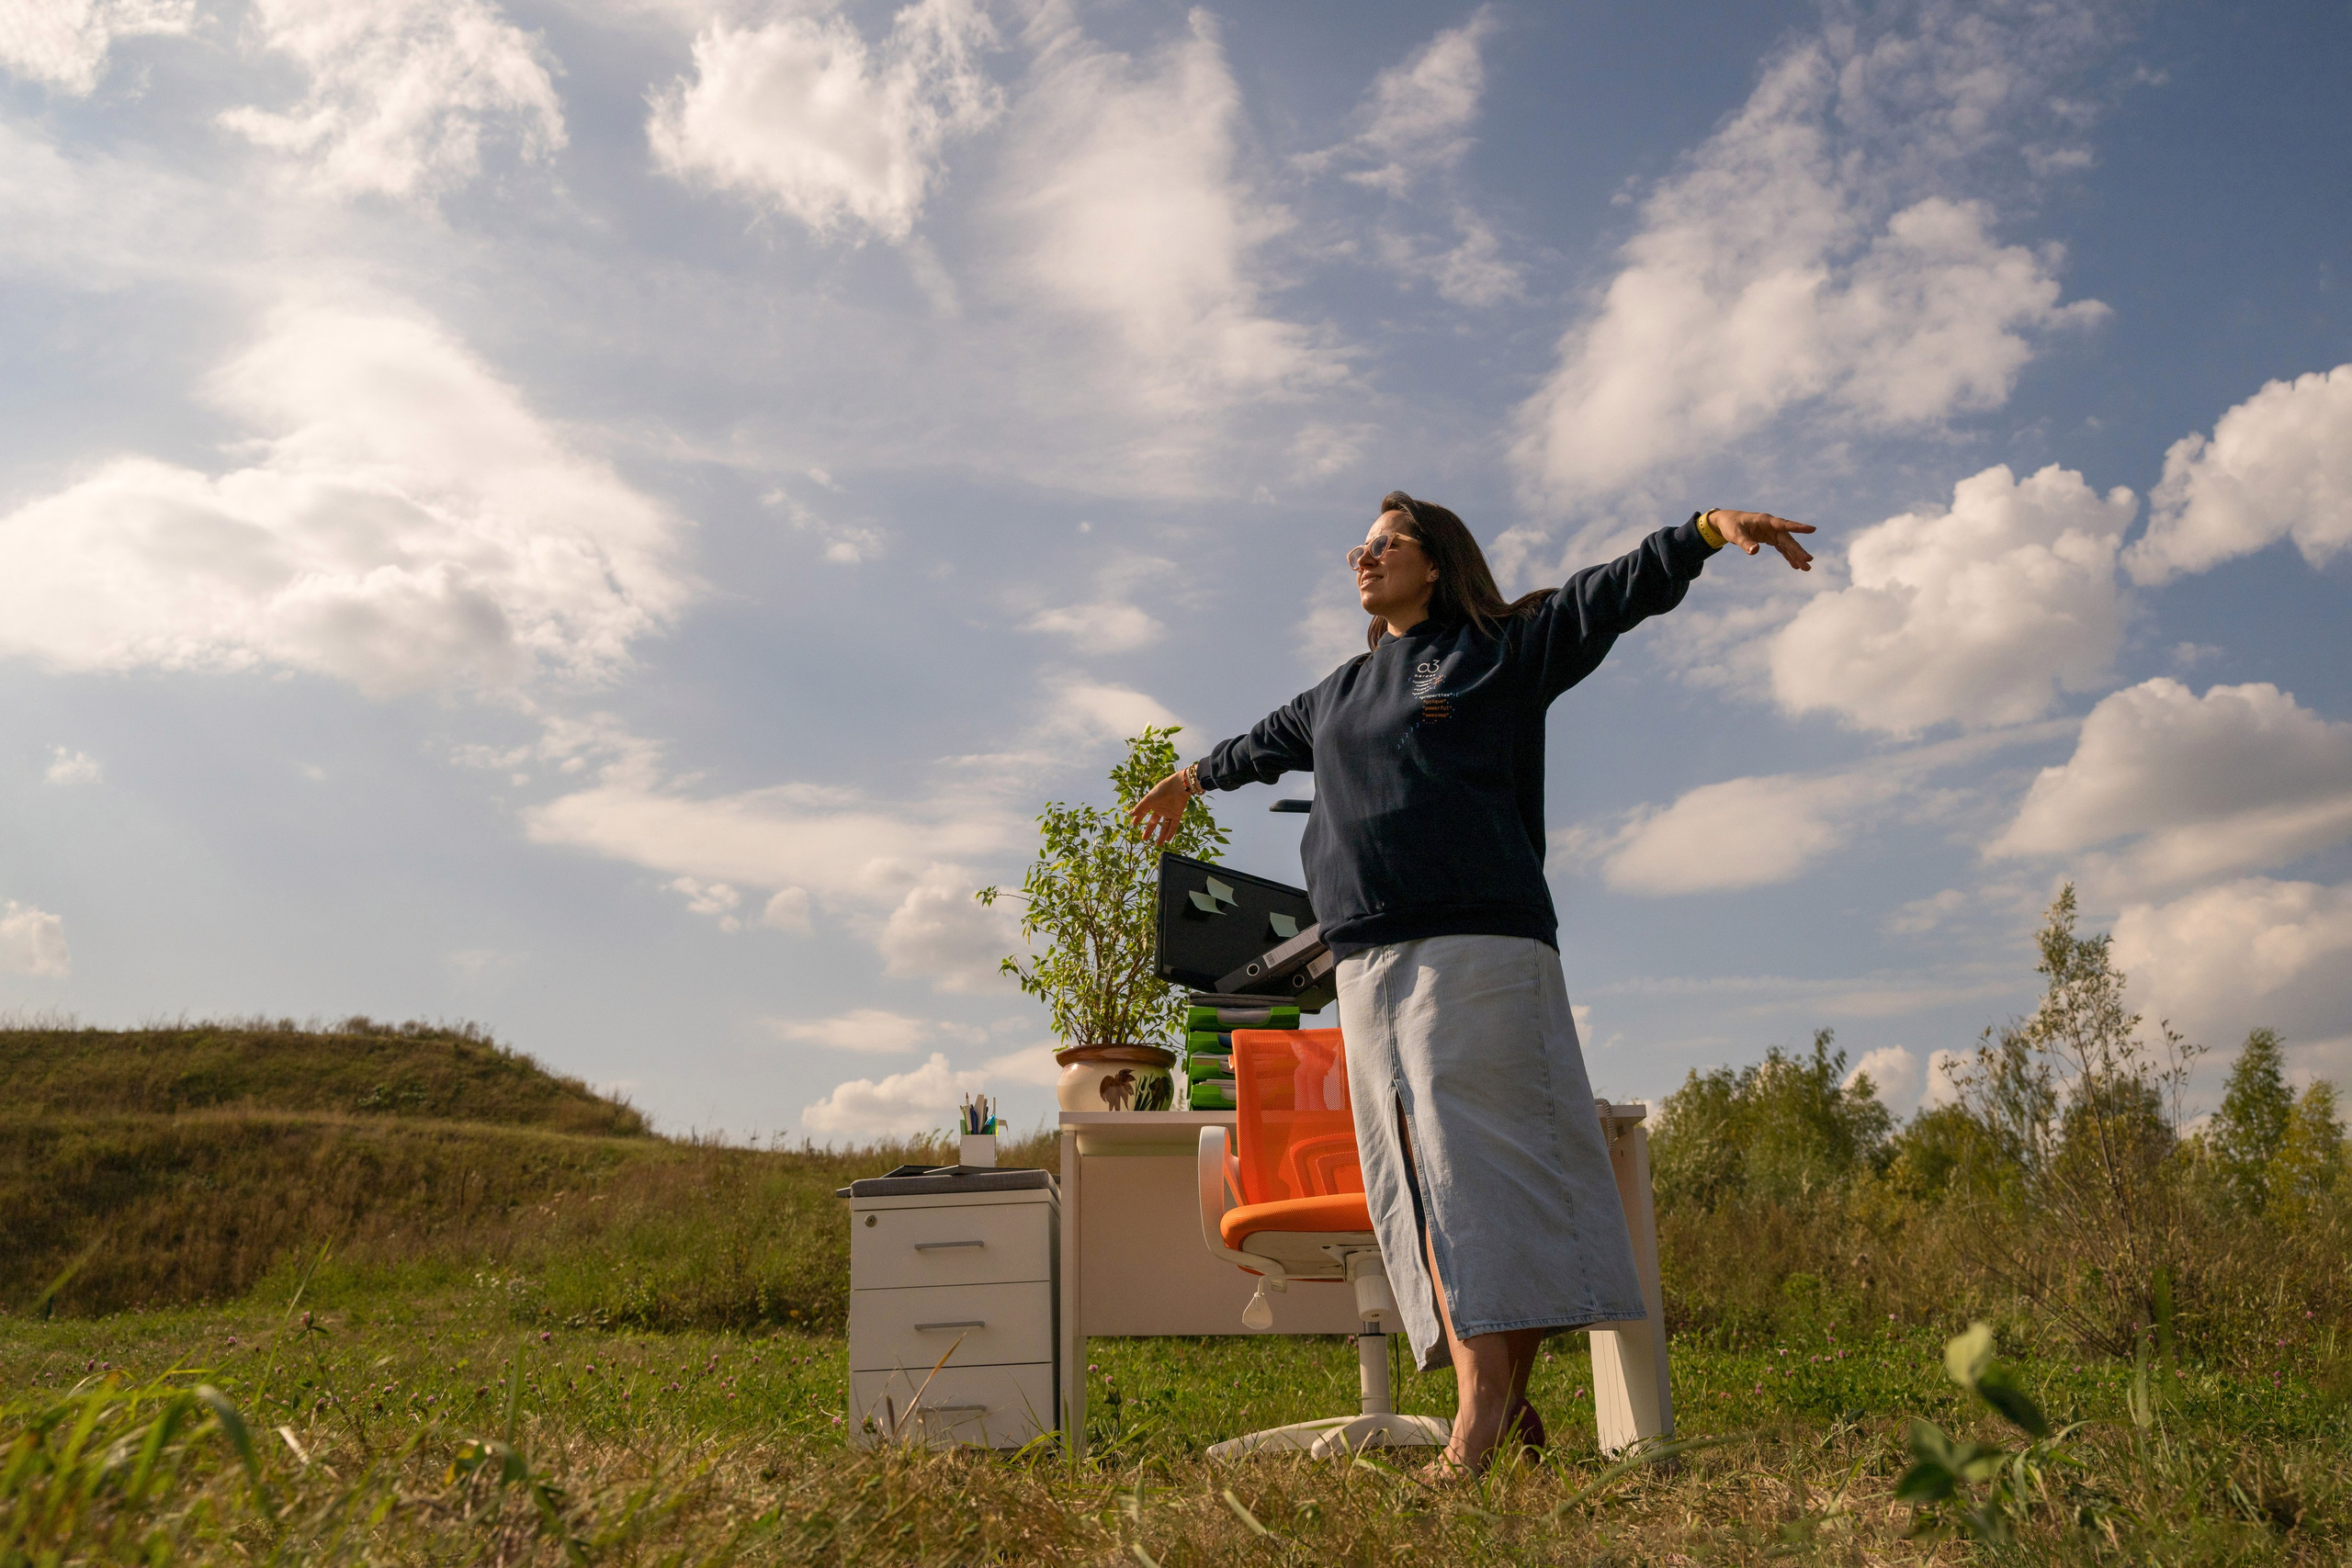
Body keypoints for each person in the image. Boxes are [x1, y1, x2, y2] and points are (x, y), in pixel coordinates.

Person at [1129, 492, 1815, 1472]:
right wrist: (1193, 777)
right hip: (1363, 961)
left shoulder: (1498, 647)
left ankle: (1478, 1418)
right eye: (1360, 545)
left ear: (1437, 562)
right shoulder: (1338, 693)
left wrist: (1701, 531)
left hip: (1476, 947)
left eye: (1387, 542)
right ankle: (1494, 1404)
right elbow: (1260, 744)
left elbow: (1606, 596)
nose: (1364, 557)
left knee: (1482, 1180)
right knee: (1420, 1191)